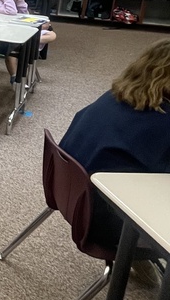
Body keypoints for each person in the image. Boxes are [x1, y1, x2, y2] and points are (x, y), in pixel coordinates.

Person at [60, 38, 170, 248]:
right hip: (105, 223)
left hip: (68, 194)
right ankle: (133, 263)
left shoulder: (113, 96)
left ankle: (136, 266)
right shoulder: (163, 122)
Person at [0, 0, 56, 82]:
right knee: (14, 48)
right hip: (3, 34)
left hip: (18, 31)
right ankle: (15, 77)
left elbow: (24, 16)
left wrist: (20, 0)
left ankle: (26, 44)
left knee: (51, 34)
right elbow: (11, 12)